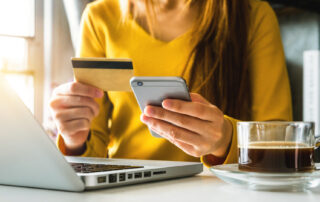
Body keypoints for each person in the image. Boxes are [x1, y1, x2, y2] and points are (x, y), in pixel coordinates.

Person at [49, 0, 292, 166]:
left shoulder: (253, 14)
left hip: (214, 191)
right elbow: (93, 153)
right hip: (125, 190)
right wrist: (73, 139)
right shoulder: (99, 17)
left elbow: (283, 143)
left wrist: (225, 140)